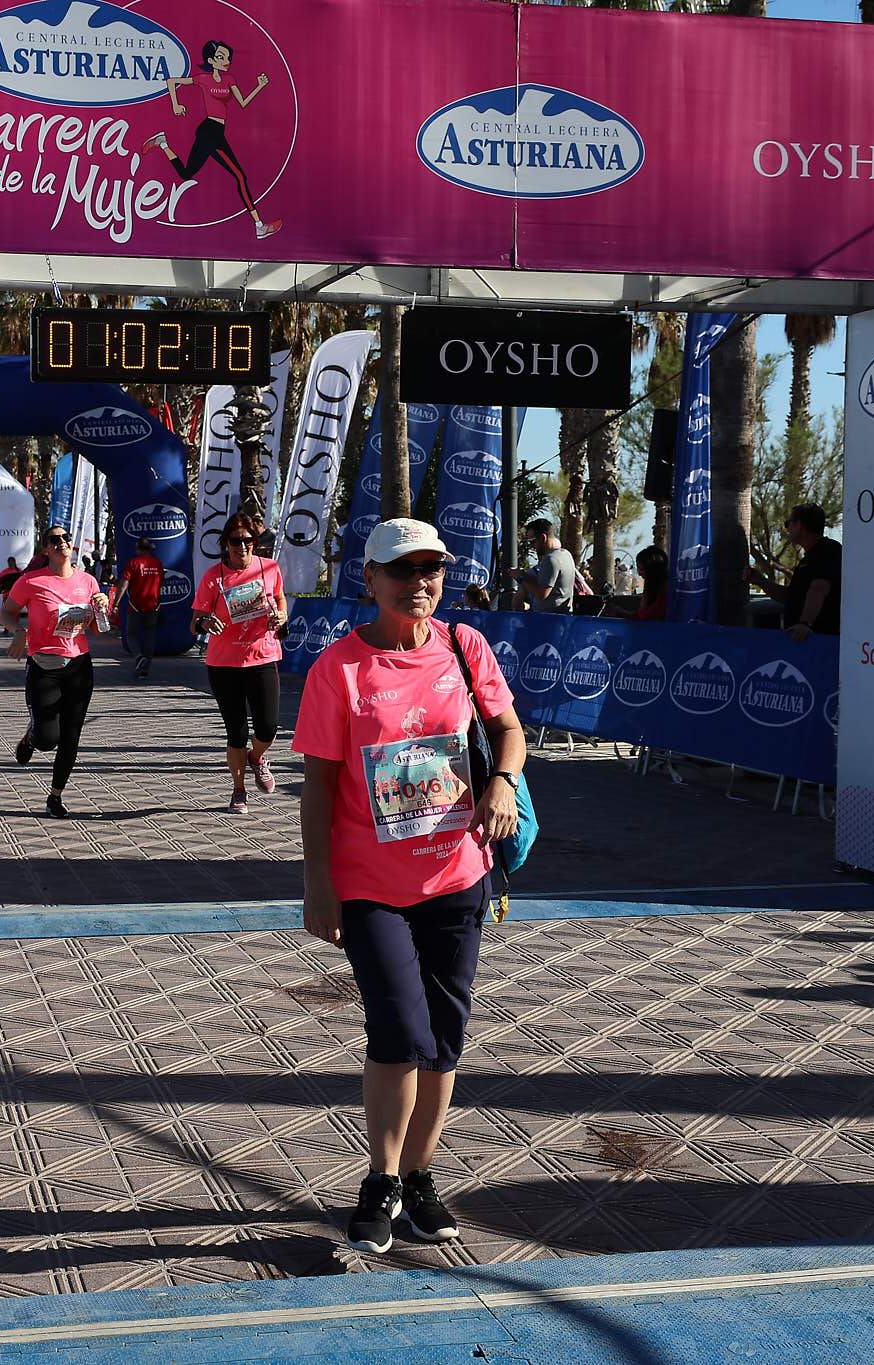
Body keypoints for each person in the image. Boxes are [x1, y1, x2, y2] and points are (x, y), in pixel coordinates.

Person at [293, 518, 525, 1256]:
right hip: (371, 883)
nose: (418, 582)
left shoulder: (464, 645)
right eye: (402, 570)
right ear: (369, 579)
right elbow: (318, 786)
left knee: (445, 1038)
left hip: (458, 873)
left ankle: (420, 1178)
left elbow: (509, 729)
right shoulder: (339, 668)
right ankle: (382, 1178)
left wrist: (502, 781)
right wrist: (318, 883)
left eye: (431, 569)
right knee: (399, 1029)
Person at [2, 525, 110, 819]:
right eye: (55, 539)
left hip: (79, 665)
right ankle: (31, 736)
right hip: (43, 666)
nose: (62, 542)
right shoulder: (31, 581)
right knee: (48, 739)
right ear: (46, 549)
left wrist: (102, 607)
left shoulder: (88, 581)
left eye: (66, 538)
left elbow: (98, 629)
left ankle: (55, 796)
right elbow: (7, 612)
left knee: (71, 735)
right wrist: (19, 632)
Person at [191, 514, 286, 812]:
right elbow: (195, 622)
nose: (242, 546)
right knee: (236, 732)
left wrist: (281, 615)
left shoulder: (269, 568)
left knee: (268, 727)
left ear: (255, 543)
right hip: (224, 664)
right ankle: (239, 789)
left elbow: (280, 600)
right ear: (225, 543)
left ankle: (256, 757)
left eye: (248, 541)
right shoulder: (213, 576)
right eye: (236, 541)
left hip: (262, 656)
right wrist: (206, 623)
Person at [145, 39, 282, 240]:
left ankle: (162, 143)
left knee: (186, 174)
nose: (226, 61)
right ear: (211, 60)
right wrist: (176, 104)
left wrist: (259, 86)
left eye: (227, 57)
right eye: (220, 57)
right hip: (209, 131)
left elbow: (243, 103)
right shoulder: (203, 79)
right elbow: (171, 82)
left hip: (216, 132)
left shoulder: (229, 79)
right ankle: (259, 226)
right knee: (240, 176)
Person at [774, 504, 841, 640]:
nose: (787, 529)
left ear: (799, 525)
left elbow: (819, 588)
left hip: (818, 640)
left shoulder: (828, 551)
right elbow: (790, 597)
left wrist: (805, 624)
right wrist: (759, 581)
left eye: (788, 523)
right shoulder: (809, 558)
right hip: (802, 640)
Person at [112, 537, 164, 678]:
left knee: (131, 635)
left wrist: (116, 603)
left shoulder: (133, 563)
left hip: (135, 606)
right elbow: (161, 583)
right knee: (150, 636)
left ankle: (138, 657)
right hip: (153, 605)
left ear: (138, 549)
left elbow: (124, 584)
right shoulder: (158, 563)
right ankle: (145, 670)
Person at [517, 519, 578, 613]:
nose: (531, 547)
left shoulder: (551, 559)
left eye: (532, 541)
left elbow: (542, 594)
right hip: (563, 617)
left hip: (548, 618)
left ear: (543, 538)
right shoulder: (566, 554)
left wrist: (520, 577)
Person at [632, 546, 669, 621]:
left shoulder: (666, 590)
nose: (639, 574)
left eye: (641, 569)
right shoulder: (655, 588)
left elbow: (647, 616)